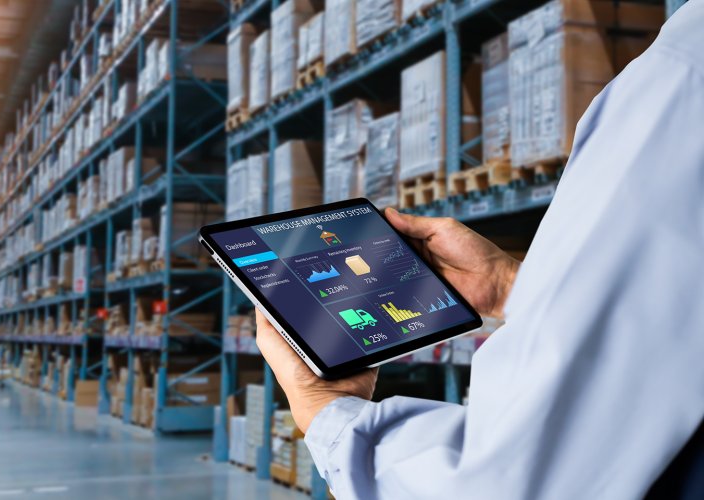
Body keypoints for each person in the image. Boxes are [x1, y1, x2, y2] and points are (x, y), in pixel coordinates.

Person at [256, 2, 704, 499]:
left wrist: (325, 408)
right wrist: (514, 286)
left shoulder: (683, 75)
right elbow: (673, 310)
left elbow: (510, 482)